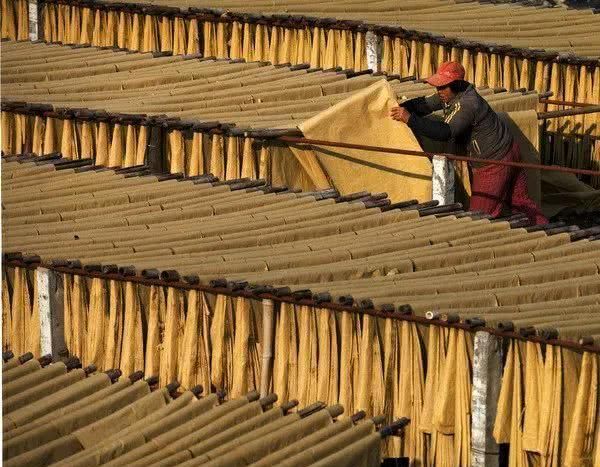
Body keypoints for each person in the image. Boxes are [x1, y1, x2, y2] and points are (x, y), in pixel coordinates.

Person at [390, 61, 548, 225]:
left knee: (480, 216)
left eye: (443, 87)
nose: (439, 91)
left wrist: (409, 119)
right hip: (508, 149)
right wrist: (399, 107)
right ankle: (543, 229)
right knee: (520, 201)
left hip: (493, 162)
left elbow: (445, 132)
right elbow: (424, 104)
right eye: (438, 86)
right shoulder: (451, 93)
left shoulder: (468, 103)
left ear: (456, 84)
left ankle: (541, 236)